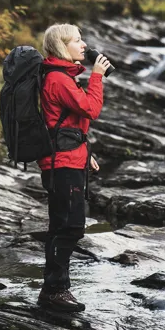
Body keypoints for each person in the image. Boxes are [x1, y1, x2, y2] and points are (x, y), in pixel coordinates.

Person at [36, 23, 111, 312]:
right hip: (61, 163)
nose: (83, 45)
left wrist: (83, 150)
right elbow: (90, 109)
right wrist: (97, 77)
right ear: (60, 47)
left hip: (68, 157)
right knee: (69, 226)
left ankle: (54, 290)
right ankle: (55, 291)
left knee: (64, 225)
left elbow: (70, 122)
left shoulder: (62, 76)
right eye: (76, 41)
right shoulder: (58, 79)